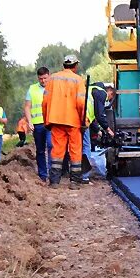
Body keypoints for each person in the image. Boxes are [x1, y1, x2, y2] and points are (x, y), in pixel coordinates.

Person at [44, 55, 87, 188]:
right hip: (73, 121)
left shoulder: (52, 79)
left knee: (57, 151)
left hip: (56, 120)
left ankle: (55, 181)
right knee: (75, 150)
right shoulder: (78, 80)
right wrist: (83, 120)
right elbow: (81, 103)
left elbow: (45, 101)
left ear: (64, 65)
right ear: (75, 66)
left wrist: (47, 120)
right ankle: (74, 182)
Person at [23, 67, 52, 182]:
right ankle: (43, 175)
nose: (43, 81)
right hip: (38, 124)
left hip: (51, 123)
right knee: (40, 150)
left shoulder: (54, 87)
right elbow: (27, 107)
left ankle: (52, 173)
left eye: (45, 78)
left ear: (49, 76)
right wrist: (29, 121)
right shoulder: (32, 89)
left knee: (51, 146)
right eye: (41, 79)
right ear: (38, 78)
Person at [85, 81, 115, 180]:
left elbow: (92, 115)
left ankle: (74, 172)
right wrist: (108, 129)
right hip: (82, 120)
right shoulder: (101, 93)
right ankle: (85, 175)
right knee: (86, 146)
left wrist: (98, 130)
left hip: (80, 118)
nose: (109, 100)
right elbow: (99, 114)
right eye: (110, 98)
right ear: (110, 92)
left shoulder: (91, 90)